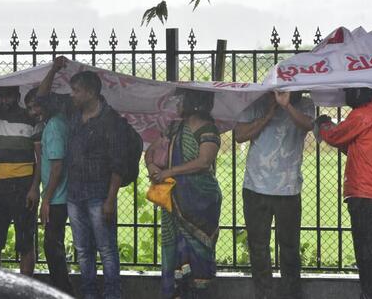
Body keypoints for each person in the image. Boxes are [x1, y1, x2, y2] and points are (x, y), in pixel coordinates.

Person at [37, 57, 126, 299]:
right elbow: (41, 98)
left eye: (76, 90)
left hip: (99, 194)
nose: (72, 94)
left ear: (91, 92)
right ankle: (89, 294)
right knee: (83, 250)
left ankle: (111, 295)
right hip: (75, 195)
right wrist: (54, 69)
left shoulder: (111, 121)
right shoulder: (72, 110)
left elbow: (118, 163)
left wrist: (110, 199)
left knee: (106, 249)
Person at [314, 87, 372, 299]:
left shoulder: (361, 115)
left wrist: (323, 124)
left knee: (365, 253)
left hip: (364, 191)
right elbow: (361, 147)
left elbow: (335, 135)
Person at [235, 90, 315, 299]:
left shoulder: (304, 104)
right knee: (258, 246)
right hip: (255, 187)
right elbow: (240, 136)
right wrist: (268, 115)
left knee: (289, 246)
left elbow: (308, 125)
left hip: (288, 189)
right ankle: (264, 293)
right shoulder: (257, 103)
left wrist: (287, 106)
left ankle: (291, 293)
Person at [145, 89, 222, 299]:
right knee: (173, 249)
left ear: (194, 103)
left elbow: (204, 162)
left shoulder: (209, 130)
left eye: (182, 99)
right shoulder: (174, 128)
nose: (177, 103)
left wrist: (169, 172)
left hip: (200, 201)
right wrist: (152, 168)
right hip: (173, 200)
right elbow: (150, 151)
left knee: (199, 252)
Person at [0, 85, 41, 276]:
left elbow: (40, 158)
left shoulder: (30, 118)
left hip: (24, 186)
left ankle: (26, 289)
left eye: (8, 96)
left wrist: (34, 188)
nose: (4, 100)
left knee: (25, 240)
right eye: (0, 96)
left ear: (17, 96)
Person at [26, 84, 74, 294]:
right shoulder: (60, 122)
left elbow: (57, 166)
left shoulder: (53, 126)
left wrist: (46, 199)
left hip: (57, 198)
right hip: (60, 195)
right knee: (54, 246)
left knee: (52, 248)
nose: (34, 112)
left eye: (37, 106)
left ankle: (62, 292)